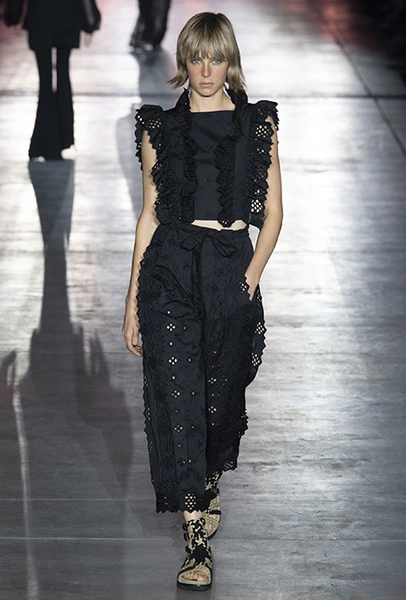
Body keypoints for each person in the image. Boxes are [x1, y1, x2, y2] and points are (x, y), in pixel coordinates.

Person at [122, 12, 283, 591]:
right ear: (184, 62)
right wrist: (132, 301)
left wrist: (251, 276)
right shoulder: (160, 128)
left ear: (230, 61)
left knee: (219, 401)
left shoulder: (257, 124)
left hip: (229, 267)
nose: (207, 70)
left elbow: (274, 213)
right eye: (197, 58)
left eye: (217, 59)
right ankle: (196, 541)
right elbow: (149, 215)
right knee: (180, 400)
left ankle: (209, 483)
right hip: (170, 268)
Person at [4, 0, 101, 160]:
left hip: (40, 15)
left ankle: (43, 143)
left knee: (45, 82)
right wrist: (90, 22)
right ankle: (64, 140)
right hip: (68, 15)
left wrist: (13, 16)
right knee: (63, 76)